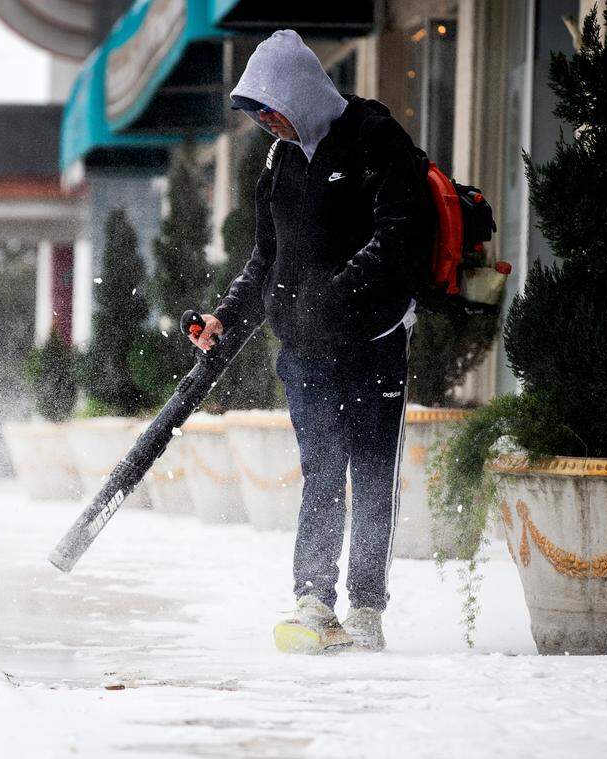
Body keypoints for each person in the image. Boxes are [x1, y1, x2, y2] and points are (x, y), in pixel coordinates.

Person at [187, 29, 435, 654]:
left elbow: (400, 236)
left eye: (271, 110)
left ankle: (368, 608)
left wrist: (335, 295)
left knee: (374, 473)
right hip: (304, 352)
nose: (268, 125)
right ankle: (315, 599)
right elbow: (264, 259)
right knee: (324, 470)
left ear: (298, 95)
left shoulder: (376, 139)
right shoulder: (278, 163)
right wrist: (225, 317)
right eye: (258, 116)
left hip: (375, 341)